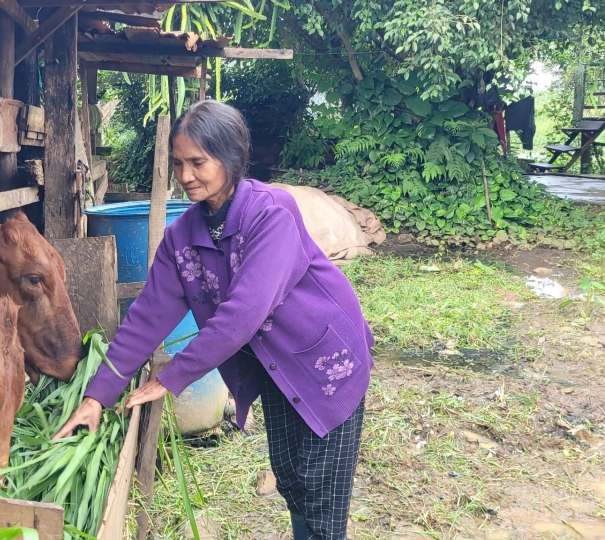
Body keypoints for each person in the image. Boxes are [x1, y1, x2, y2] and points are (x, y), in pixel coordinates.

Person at [53, 100, 375, 540]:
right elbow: (146, 317)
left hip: (325, 361)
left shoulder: (271, 213)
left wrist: (172, 378)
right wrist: (97, 396)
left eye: (198, 162)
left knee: (322, 493)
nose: (185, 175)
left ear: (230, 158)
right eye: (179, 163)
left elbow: (243, 314)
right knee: (293, 480)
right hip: (276, 368)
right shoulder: (182, 236)